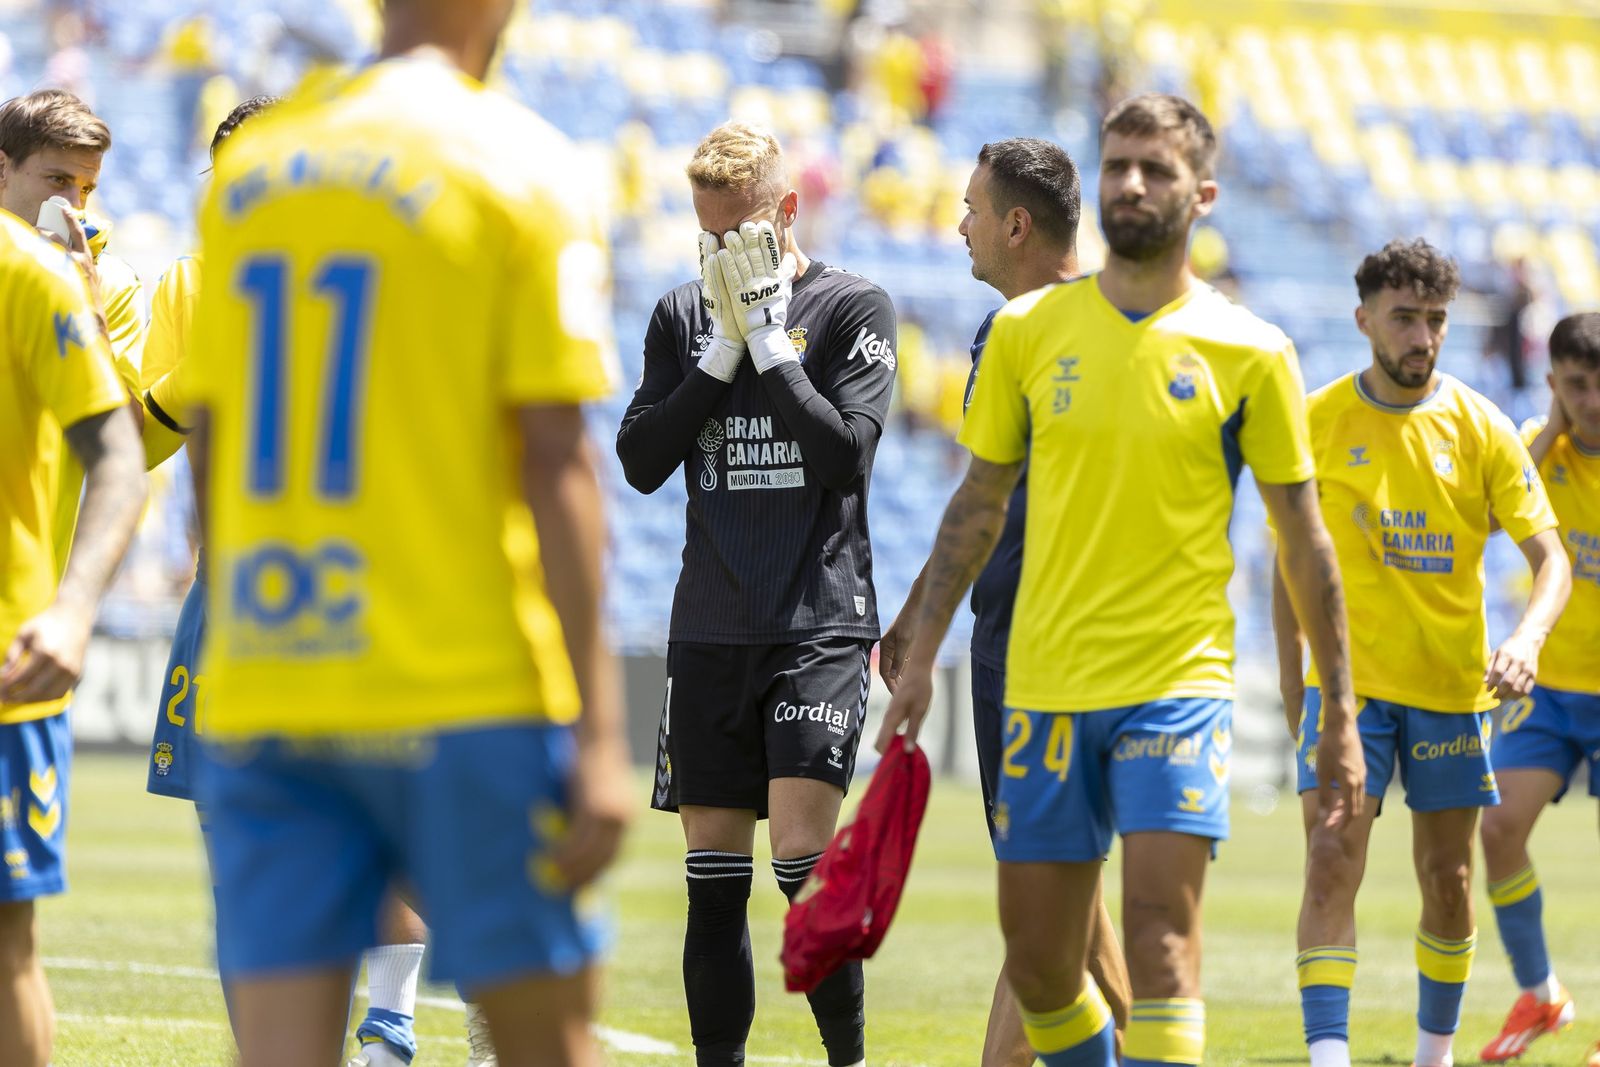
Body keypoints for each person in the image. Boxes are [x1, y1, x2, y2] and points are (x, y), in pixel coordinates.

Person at [178, 1, 632, 1064]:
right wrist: (603, 736)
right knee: (547, 1044)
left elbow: (211, 433)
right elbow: (556, 458)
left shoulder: (253, 173)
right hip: (462, 685)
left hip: (277, 681)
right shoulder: (521, 162)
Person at [876, 92, 1365, 1067]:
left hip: (1175, 682)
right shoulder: (1025, 331)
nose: (1132, 183)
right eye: (1117, 165)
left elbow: (1304, 540)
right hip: (1044, 680)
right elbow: (976, 505)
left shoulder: (1253, 349)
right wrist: (922, 651)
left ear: (1203, 194)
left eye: (1157, 167)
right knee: (1042, 958)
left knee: (1159, 939)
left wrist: (1339, 712)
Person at [615, 120, 897, 1067]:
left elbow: (844, 456)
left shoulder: (853, 306)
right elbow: (641, 460)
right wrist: (719, 354)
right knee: (713, 884)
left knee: (801, 864)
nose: (721, 250)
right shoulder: (679, 315)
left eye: (738, 231)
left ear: (785, 211)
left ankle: (848, 1060)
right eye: (707, 232)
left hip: (817, 620)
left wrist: (771, 343)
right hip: (710, 625)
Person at [1275, 238, 1569, 1067]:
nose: (1422, 336)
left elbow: (1551, 559)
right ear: (1363, 318)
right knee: (1330, 857)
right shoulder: (1316, 422)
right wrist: (1298, 690)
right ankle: (1329, 1059)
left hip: (1450, 690)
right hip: (1348, 693)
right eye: (1404, 317)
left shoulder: (1482, 427)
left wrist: (1527, 636)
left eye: (1435, 320)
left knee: (1448, 878)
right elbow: (1288, 568)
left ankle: (1432, 1058)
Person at [879, 137, 1131, 1066]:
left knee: (1052, 899)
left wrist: (921, 624)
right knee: (1053, 898)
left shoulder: (1044, 331)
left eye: (973, 210)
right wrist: (922, 607)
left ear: (1017, 225)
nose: (960, 226)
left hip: (1042, 646)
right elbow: (986, 496)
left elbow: (988, 497)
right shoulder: (1095, 326)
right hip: (1044, 637)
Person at [0, 197, 148, 1067]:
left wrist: (74, 607)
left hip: (7, 667)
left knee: (6, 943)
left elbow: (124, 457)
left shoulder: (31, 274)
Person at [1477, 312, 1600, 1064]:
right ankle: (1540, 992)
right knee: (1497, 830)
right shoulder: (1535, 447)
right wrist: (1550, 430)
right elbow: (1485, 521)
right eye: (1577, 386)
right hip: (1548, 687)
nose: (1593, 401)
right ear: (1554, 384)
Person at [0, 89, 150, 570]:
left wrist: (86, 306)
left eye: (86, 189)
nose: (73, 206)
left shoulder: (111, 284)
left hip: (30, 583)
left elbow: (126, 439)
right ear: (2, 169)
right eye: (58, 181)